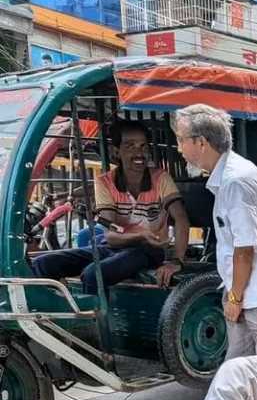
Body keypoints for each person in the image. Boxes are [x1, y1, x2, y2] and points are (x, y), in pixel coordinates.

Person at [173, 104, 257, 359]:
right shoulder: (228, 176)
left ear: (201, 142)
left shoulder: (236, 181)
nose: (179, 148)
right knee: (238, 371)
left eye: (181, 140)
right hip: (247, 293)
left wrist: (234, 297)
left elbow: (244, 249)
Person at [31, 121, 190, 292]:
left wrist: (176, 261)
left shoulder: (160, 178)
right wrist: (140, 235)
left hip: (149, 251)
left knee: (93, 275)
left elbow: (181, 219)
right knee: (43, 263)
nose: (139, 152)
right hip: (113, 247)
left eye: (143, 146)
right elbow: (112, 236)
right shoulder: (104, 182)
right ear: (116, 152)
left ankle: (98, 318)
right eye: (130, 146)